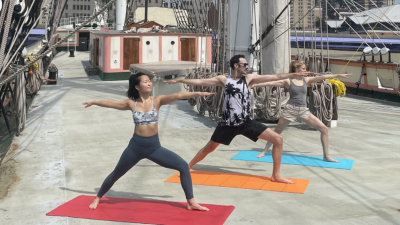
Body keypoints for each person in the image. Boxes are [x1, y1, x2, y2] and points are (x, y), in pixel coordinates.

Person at [165, 54, 312, 184]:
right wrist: (179, 81)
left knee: (278, 139)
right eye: (245, 64)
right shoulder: (224, 79)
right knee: (209, 147)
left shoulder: (249, 79)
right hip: (227, 124)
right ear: (236, 65)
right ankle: (187, 168)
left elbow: (276, 76)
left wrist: (294, 74)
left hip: (246, 122)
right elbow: (201, 82)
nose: (247, 67)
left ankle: (276, 175)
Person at [83, 72, 213, 211]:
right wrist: (95, 102)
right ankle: (98, 197)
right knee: (117, 173)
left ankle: (191, 201)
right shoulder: (131, 103)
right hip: (135, 147)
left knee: (182, 166)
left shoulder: (157, 100)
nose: (149, 83)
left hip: (154, 148)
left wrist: (198, 93)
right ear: (137, 87)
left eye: (149, 81)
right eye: (145, 81)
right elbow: (111, 103)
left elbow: (178, 95)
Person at [252, 60, 351, 162]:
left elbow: (323, 77)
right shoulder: (288, 81)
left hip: (303, 110)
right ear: (296, 69)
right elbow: (271, 82)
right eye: (303, 68)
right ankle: (264, 151)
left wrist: (339, 75)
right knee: (277, 132)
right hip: (290, 110)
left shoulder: (306, 80)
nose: (305, 70)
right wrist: (255, 84)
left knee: (324, 129)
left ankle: (326, 156)